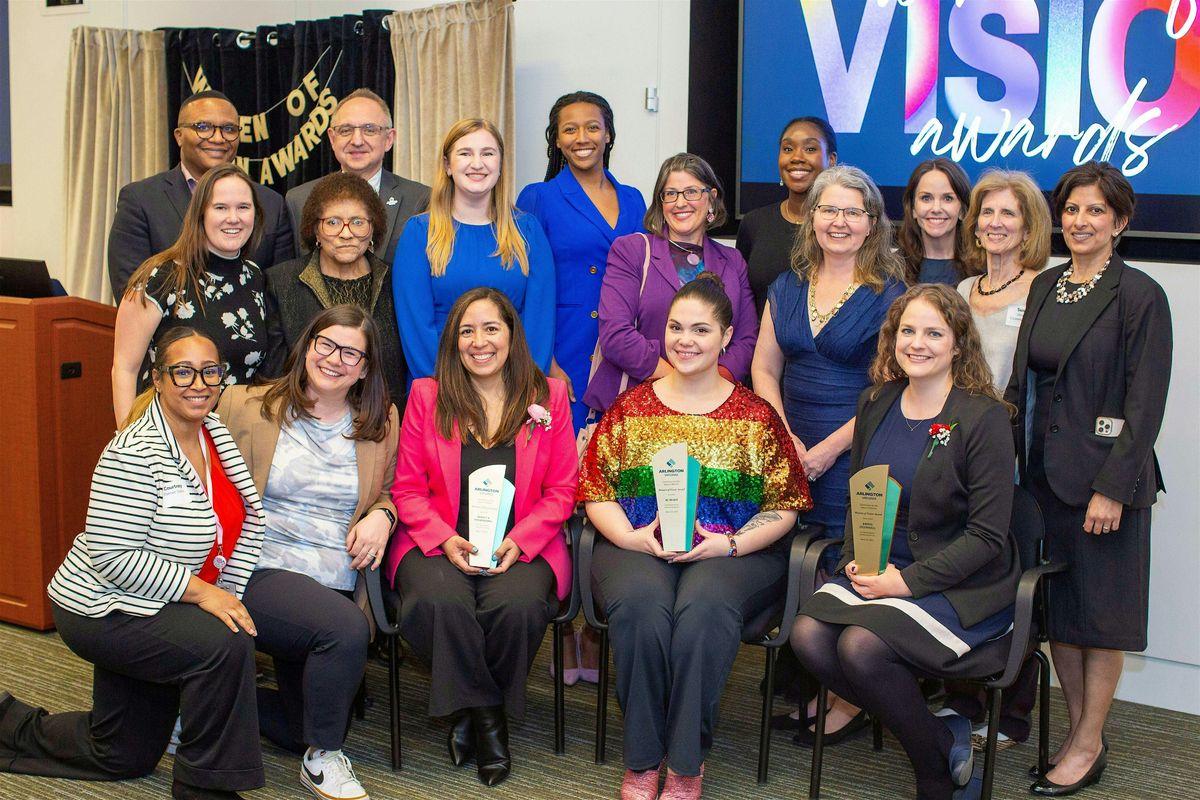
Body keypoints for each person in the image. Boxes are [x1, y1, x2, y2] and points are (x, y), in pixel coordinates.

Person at [0, 328, 266, 800]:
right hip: (101, 606)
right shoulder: (134, 451)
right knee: (225, 644)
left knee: (122, 753)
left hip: (156, 599)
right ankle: (205, 790)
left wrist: (224, 590)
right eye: (183, 372)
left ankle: (4, 723)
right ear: (157, 379)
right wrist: (204, 593)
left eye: (210, 372)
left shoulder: (214, 433)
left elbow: (243, 518)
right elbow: (112, 555)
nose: (198, 384)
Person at [579, 273, 809, 800]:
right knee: (641, 607)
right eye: (676, 327)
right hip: (638, 544)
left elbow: (785, 508)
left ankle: (685, 762)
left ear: (726, 337)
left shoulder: (756, 417)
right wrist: (631, 539)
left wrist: (729, 544)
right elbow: (596, 492)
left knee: (703, 610)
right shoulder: (631, 408)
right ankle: (642, 759)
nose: (685, 340)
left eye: (701, 330)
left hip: (732, 552)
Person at [793, 284, 1021, 800]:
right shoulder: (876, 402)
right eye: (907, 331)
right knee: (808, 635)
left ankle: (933, 775)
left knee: (861, 648)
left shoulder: (984, 417)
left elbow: (987, 537)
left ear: (958, 344)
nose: (917, 343)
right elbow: (862, 496)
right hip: (882, 566)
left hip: (960, 583)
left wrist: (906, 582)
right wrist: (856, 560)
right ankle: (937, 737)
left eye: (934, 333)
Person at [1006, 162, 1171, 797]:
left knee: (1100, 620)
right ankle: (1082, 735)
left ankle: (1087, 742)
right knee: (1064, 619)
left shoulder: (1140, 295)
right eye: (1072, 209)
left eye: (1096, 210)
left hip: (1103, 487)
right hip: (1044, 481)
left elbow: (1144, 403)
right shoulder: (1047, 285)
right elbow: (1023, 383)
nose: (1080, 221)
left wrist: (1112, 487)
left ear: (1119, 221)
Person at [384, 288, 576, 787]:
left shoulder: (549, 396)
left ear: (512, 334)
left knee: (517, 606)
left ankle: (469, 712)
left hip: (520, 540)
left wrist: (524, 539)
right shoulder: (427, 396)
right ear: (453, 340)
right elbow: (407, 489)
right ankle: (489, 718)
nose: (479, 341)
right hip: (438, 539)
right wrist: (443, 537)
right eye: (467, 331)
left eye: (491, 328)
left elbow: (562, 490)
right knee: (439, 602)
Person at [217, 304, 398, 800]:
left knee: (303, 722)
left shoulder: (380, 420)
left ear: (365, 368)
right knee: (345, 630)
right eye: (326, 344)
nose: (335, 359)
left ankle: (198, 703)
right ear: (307, 345)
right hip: (261, 566)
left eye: (350, 353)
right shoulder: (244, 404)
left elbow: (388, 492)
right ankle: (324, 759)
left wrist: (383, 517)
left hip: (334, 577)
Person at [751, 165, 905, 740]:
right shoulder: (786, 285)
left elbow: (890, 386)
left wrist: (826, 451)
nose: (839, 222)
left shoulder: (891, 294)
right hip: (790, 444)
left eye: (852, 212)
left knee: (848, 567)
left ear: (872, 223)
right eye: (828, 209)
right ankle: (814, 684)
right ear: (811, 217)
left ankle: (848, 700)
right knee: (796, 565)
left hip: (857, 450)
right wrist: (786, 436)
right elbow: (764, 367)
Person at [935, 170, 1052, 753]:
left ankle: (1012, 713)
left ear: (1028, 227)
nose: (995, 223)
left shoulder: (1043, 291)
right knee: (962, 570)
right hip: (956, 452)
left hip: (1014, 456)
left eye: (1009, 214)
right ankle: (962, 700)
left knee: (1010, 575)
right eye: (986, 212)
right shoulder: (962, 290)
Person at [582, 153, 757, 415]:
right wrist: (681, 385)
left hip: (712, 412)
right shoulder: (631, 251)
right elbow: (616, 335)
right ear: (660, 202)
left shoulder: (733, 261)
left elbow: (745, 338)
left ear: (711, 198)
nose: (680, 202)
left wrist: (711, 388)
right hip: (637, 409)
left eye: (691, 192)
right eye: (671, 194)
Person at [517, 90, 647, 432]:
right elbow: (523, 287)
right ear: (557, 141)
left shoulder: (633, 199)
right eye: (570, 130)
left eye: (592, 127)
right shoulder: (538, 197)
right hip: (564, 349)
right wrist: (543, 362)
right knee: (563, 450)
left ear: (608, 135)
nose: (582, 138)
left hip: (624, 353)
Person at [393, 119, 555, 382]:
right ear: (447, 165)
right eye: (465, 153)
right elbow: (415, 327)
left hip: (513, 387)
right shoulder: (419, 233)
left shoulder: (528, 231)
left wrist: (522, 385)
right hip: (440, 385)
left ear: (500, 164)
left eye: (487, 153)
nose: (477, 164)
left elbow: (540, 323)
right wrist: (450, 387)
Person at [111, 163, 271, 427]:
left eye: (243, 207)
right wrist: (127, 440)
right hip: (169, 434)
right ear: (200, 214)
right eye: (220, 207)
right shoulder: (160, 277)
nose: (233, 218)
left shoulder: (255, 278)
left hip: (236, 435)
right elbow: (125, 368)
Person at [108, 90, 293, 298]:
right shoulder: (141, 200)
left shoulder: (271, 204)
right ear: (179, 136)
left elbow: (282, 294)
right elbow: (132, 291)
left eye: (229, 129)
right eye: (203, 127)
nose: (218, 138)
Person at [266, 172, 407, 408]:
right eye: (332, 222)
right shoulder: (281, 282)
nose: (346, 233)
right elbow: (274, 373)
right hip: (303, 417)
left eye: (358, 222)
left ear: (373, 228)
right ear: (315, 229)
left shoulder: (396, 281)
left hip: (382, 416)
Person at [285, 89, 431, 267]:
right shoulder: (298, 200)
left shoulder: (420, 199)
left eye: (369, 130)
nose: (357, 141)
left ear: (389, 139)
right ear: (332, 139)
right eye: (346, 130)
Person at [735, 116, 837, 318]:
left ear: (831, 160)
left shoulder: (842, 227)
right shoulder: (754, 223)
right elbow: (742, 301)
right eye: (788, 149)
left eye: (810, 149)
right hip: (760, 338)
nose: (797, 157)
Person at [897, 158, 974, 285]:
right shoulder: (892, 270)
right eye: (926, 198)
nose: (936, 209)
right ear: (912, 209)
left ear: (962, 210)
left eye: (947, 198)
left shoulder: (982, 271)